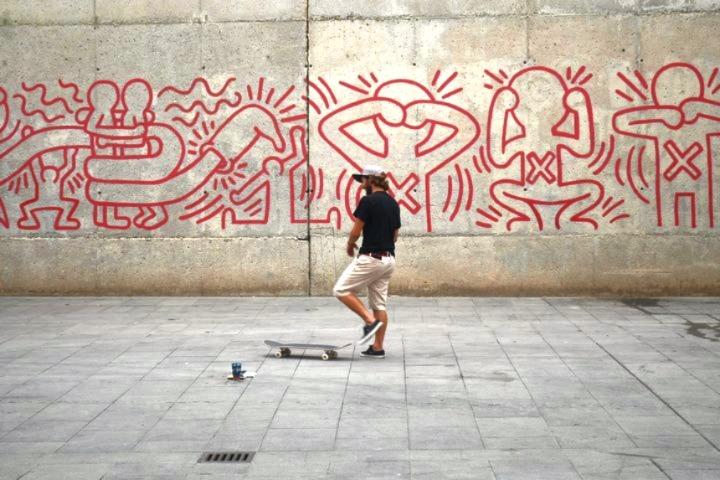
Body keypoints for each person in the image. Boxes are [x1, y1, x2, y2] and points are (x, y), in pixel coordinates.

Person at [333, 165, 401, 358]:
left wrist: (349, 244)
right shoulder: (392, 203)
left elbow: (356, 230)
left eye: (363, 179)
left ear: (371, 180)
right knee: (379, 305)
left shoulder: (367, 201)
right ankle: (378, 348)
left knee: (341, 290)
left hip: (371, 258)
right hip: (388, 259)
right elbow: (395, 235)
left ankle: (369, 321)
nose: (361, 183)